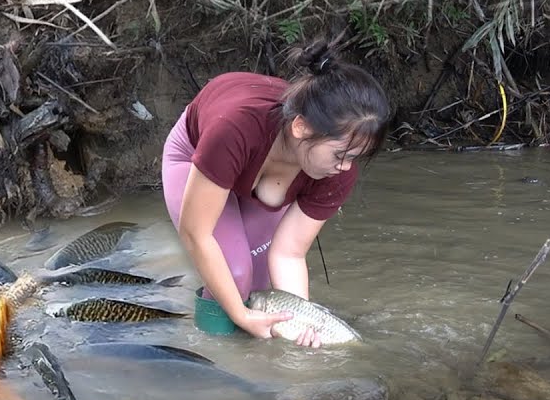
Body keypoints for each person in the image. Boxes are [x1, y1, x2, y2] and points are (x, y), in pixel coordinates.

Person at [160, 35, 391, 347]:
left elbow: (289, 253)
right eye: (341, 155)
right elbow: (195, 233)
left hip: (260, 166)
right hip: (195, 154)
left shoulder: (336, 169)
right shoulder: (234, 131)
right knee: (237, 274)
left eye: (354, 158)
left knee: (261, 284)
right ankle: (211, 359)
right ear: (301, 128)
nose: (346, 168)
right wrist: (240, 316)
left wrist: (300, 323)